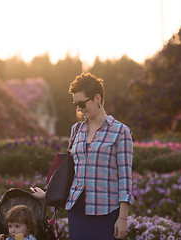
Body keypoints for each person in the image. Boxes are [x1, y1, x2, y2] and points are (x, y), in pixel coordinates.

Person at [32, 72, 134, 240]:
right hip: (77, 210)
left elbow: (125, 178)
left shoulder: (121, 132)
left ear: (97, 98)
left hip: (106, 211)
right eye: (75, 104)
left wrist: (122, 218)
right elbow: (71, 171)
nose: (78, 109)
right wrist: (47, 192)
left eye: (81, 103)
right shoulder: (76, 130)